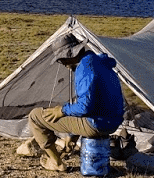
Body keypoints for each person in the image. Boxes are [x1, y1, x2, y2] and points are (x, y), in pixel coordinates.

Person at [17, 41, 125, 171]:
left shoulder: (85, 67)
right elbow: (94, 104)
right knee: (72, 106)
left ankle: (56, 162)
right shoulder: (99, 62)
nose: (63, 64)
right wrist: (71, 135)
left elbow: (84, 107)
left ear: (71, 54)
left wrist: (61, 111)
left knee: (35, 116)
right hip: (112, 122)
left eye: (62, 59)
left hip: (98, 124)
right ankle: (69, 142)